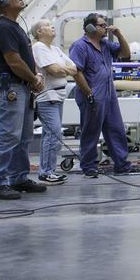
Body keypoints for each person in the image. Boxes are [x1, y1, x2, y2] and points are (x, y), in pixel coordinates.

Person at [0, 0, 48, 200]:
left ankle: (18, 178)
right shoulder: (3, 27)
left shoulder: (15, 27)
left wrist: (35, 77)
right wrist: (33, 78)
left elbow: (24, 58)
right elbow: (13, 60)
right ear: (2, 1)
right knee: (8, 135)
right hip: (10, 87)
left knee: (22, 136)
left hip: (22, 87)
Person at [68, 13, 140, 178]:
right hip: (92, 94)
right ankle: (89, 167)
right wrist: (89, 93)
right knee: (91, 131)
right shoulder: (80, 46)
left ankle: (122, 165)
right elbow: (76, 72)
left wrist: (119, 35)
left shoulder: (105, 44)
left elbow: (126, 54)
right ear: (90, 27)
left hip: (109, 94)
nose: (105, 28)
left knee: (116, 129)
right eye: (102, 25)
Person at [31, 19, 89, 183]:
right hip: (47, 97)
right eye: (48, 25)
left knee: (52, 134)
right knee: (53, 133)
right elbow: (54, 70)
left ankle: (49, 170)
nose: (52, 27)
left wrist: (62, 70)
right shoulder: (39, 48)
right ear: (39, 32)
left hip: (58, 96)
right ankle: (46, 172)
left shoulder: (55, 49)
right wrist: (63, 70)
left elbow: (75, 68)